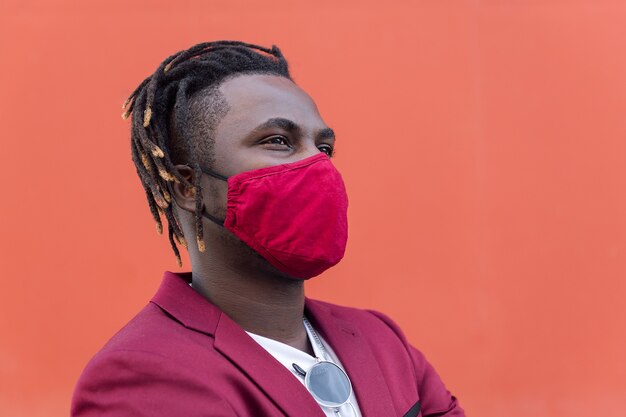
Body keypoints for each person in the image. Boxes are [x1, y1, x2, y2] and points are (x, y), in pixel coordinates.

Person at [71, 41, 465, 417]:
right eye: (279, 141)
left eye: (324, 147)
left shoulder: (381, 340)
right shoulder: (144, 375)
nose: (318, 164)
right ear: (187, 187)